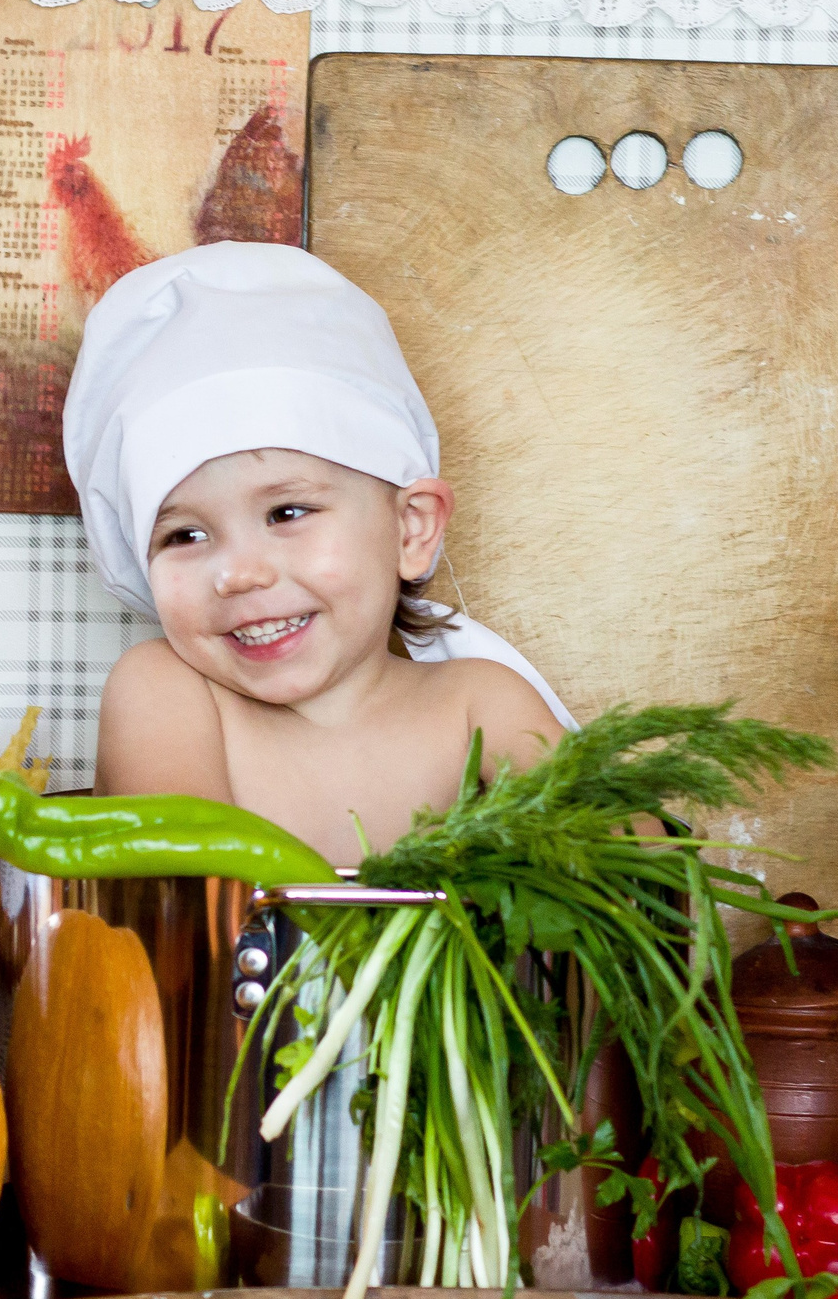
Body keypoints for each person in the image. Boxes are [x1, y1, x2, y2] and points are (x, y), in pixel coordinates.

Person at [66, 243, 571, 865]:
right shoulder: (163, 693)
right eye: (185, 536)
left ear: (410, 529)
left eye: (286, 513)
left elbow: (636, 875)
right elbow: (188, 891)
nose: (239, 574)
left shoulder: (479, 703)